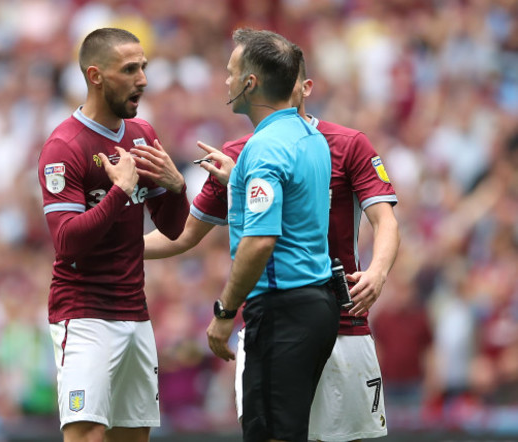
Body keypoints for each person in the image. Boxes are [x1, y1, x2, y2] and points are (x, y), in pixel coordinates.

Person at [144, 47, 400, 441]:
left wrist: (378, 272)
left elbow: (386, 221)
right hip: (295, 315)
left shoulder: (346, 144)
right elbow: (185, 235)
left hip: (336, 320)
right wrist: (114, 246)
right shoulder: (242, 154)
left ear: (303, 86)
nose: (225, 81)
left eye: (232, 73)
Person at [37, 28, 189, 442]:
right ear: (95, 75)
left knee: (132, 438)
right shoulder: (64, 146)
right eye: (130, 69)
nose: (142, 79)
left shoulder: (143, 135)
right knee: (87, 435)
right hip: (84, 314)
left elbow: (174, 229)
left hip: (135, 315)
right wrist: (120, 191)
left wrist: (177, 188)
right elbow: (67, 241)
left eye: (144, 67)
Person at [203, 28, 338, 441]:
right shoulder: (309, 136)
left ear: (250, 82)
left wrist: (225, 314)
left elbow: (261, 240)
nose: (225, 81)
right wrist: (239, 180)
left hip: (283, 310)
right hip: (316, 304)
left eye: (231, 72)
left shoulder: (264, 149)